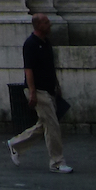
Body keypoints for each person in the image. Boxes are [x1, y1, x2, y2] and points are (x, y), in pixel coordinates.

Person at [7, 13, 73, 173]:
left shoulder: (47, 43)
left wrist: (57, 85)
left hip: (49, 89)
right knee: (52, 126)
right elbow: (28, 70)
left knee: (44, 124)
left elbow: (50, 67)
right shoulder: (30, 44)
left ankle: (16, 144)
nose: (49, 24)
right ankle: (57, 162)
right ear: (38, 25)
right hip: (39, 91)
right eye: (46, 22)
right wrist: (32, 92)